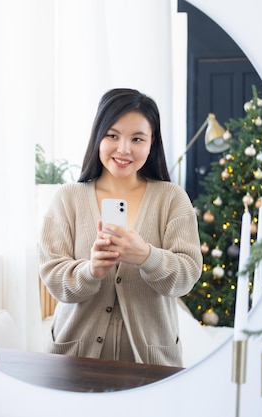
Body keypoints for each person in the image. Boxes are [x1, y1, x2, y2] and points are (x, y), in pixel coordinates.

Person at [39, 88, 202, 367]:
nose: (124, 149)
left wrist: (147, 257)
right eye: (112, 135)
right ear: (97, 137)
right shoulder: (67, 199)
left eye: (137, 139)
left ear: (152, 143)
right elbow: (53, 278)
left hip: (153, 364)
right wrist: (90, 271)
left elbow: (187, 276)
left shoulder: (172, 198)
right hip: (74, 360)